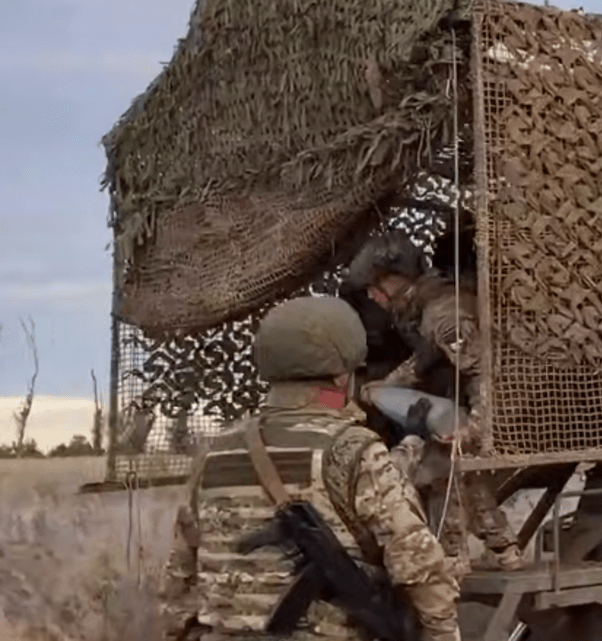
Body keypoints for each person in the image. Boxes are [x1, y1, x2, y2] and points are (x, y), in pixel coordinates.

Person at [158, 296, 462, 641]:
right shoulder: (354, 449)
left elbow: (180, 578)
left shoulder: (215, 453)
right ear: (341, 374)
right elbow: (420, 566)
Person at [344, 231, 523, 574]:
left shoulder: (444, 314)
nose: (370, 294)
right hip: (463, 405)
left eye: (374, 285)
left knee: (434, 468)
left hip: (499, 406)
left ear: (396, 279)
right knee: (449, 458)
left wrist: (475, 428)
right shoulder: (424, 308)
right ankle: (504, 548)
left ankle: (452, 558)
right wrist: (387, 386)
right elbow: (427, 357)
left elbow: (483, 374)